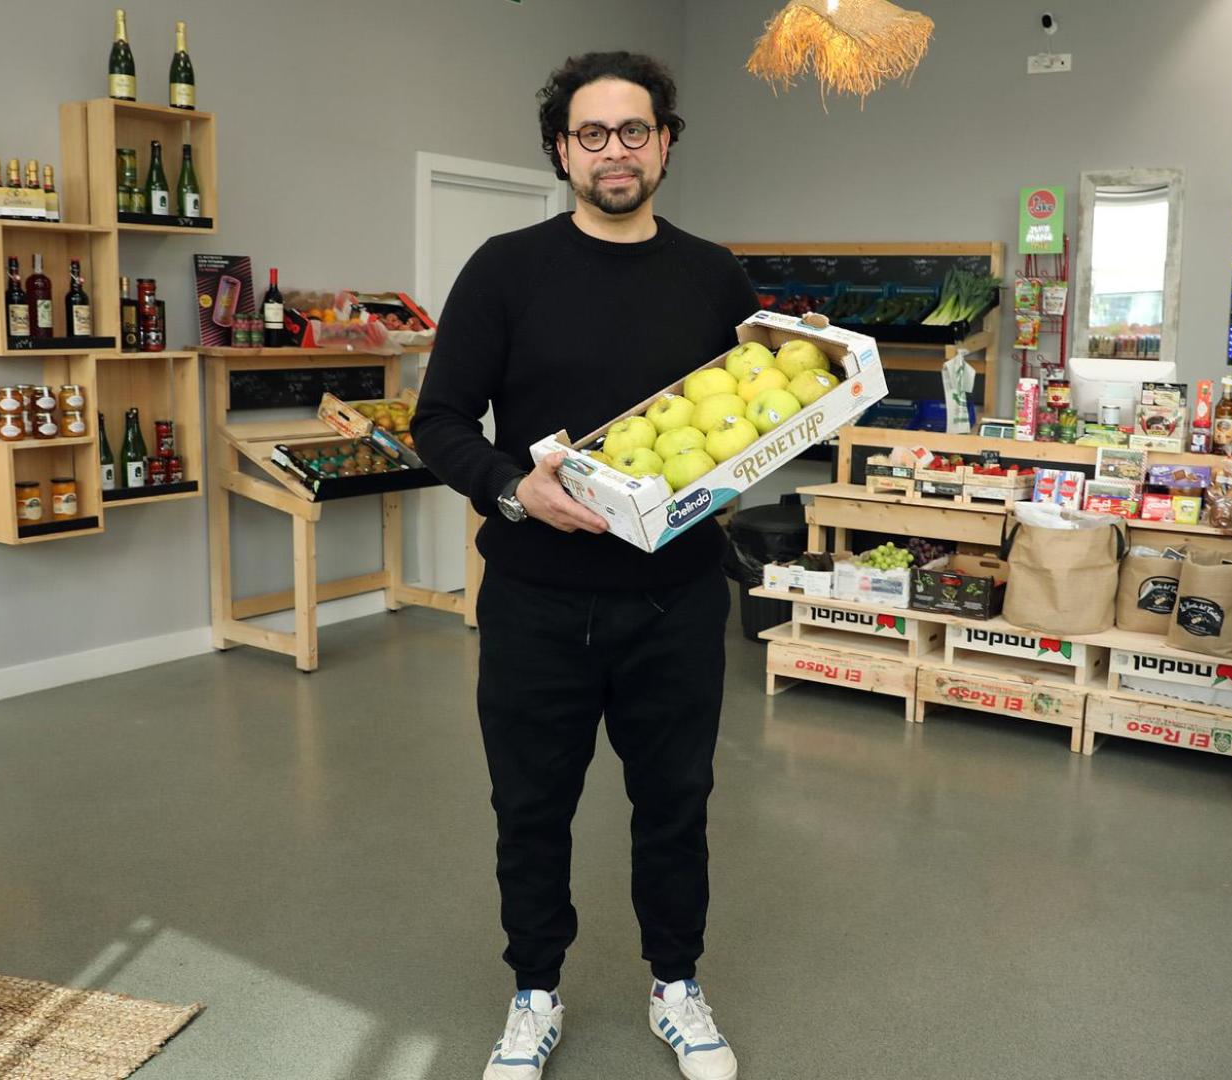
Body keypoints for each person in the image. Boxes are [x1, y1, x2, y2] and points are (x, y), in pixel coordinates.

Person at [411, 51, 756, 1080]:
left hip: (678, 600)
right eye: (593, 134)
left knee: (675, 803)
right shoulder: (504, 268)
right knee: (530, 808)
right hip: (536, 602)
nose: (616, 151)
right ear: (562, 150)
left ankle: (677, 987)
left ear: (666, 142)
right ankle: (533, 993)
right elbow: (438, 423)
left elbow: (764, 419)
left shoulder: (714, 274)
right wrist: (517, 488)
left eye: (635, 131)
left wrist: (807, 360)